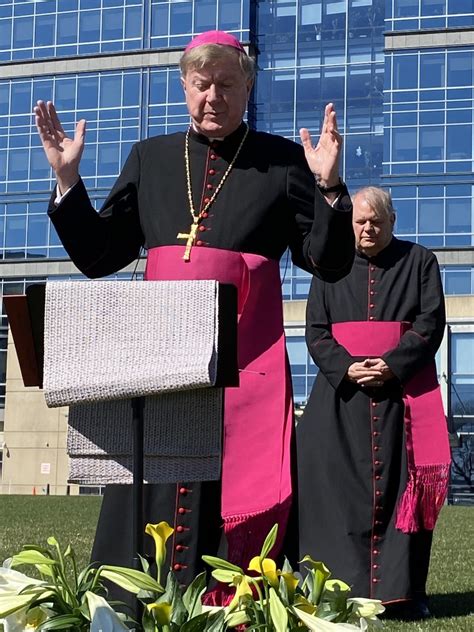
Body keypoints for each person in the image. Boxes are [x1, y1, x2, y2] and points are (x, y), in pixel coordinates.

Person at [34, 30, 354, 596]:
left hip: (244, 372)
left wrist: (329, 187)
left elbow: (328, 263)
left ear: (247, 88)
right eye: (202, 84)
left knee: (231, 499)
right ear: (184, 86)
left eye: (226, 85)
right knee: (149, 486)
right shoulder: (151, 158)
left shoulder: (282, 163)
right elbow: (100, 256)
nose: (213, 96)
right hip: (156, 375)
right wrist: (68, 180)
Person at [297, 186, 451, 617]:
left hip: (402, 397)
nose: (367, 228)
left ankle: (403, 594)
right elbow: (316, 329)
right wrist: (346, 366)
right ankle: (335, 592)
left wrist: (392, 363)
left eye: (375, 222)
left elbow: (429, 323)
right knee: (331, 492)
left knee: (407, 491)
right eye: (360, 222)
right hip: (339, 398)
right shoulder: (330, 265)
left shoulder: (420, 261)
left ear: (392, 222)